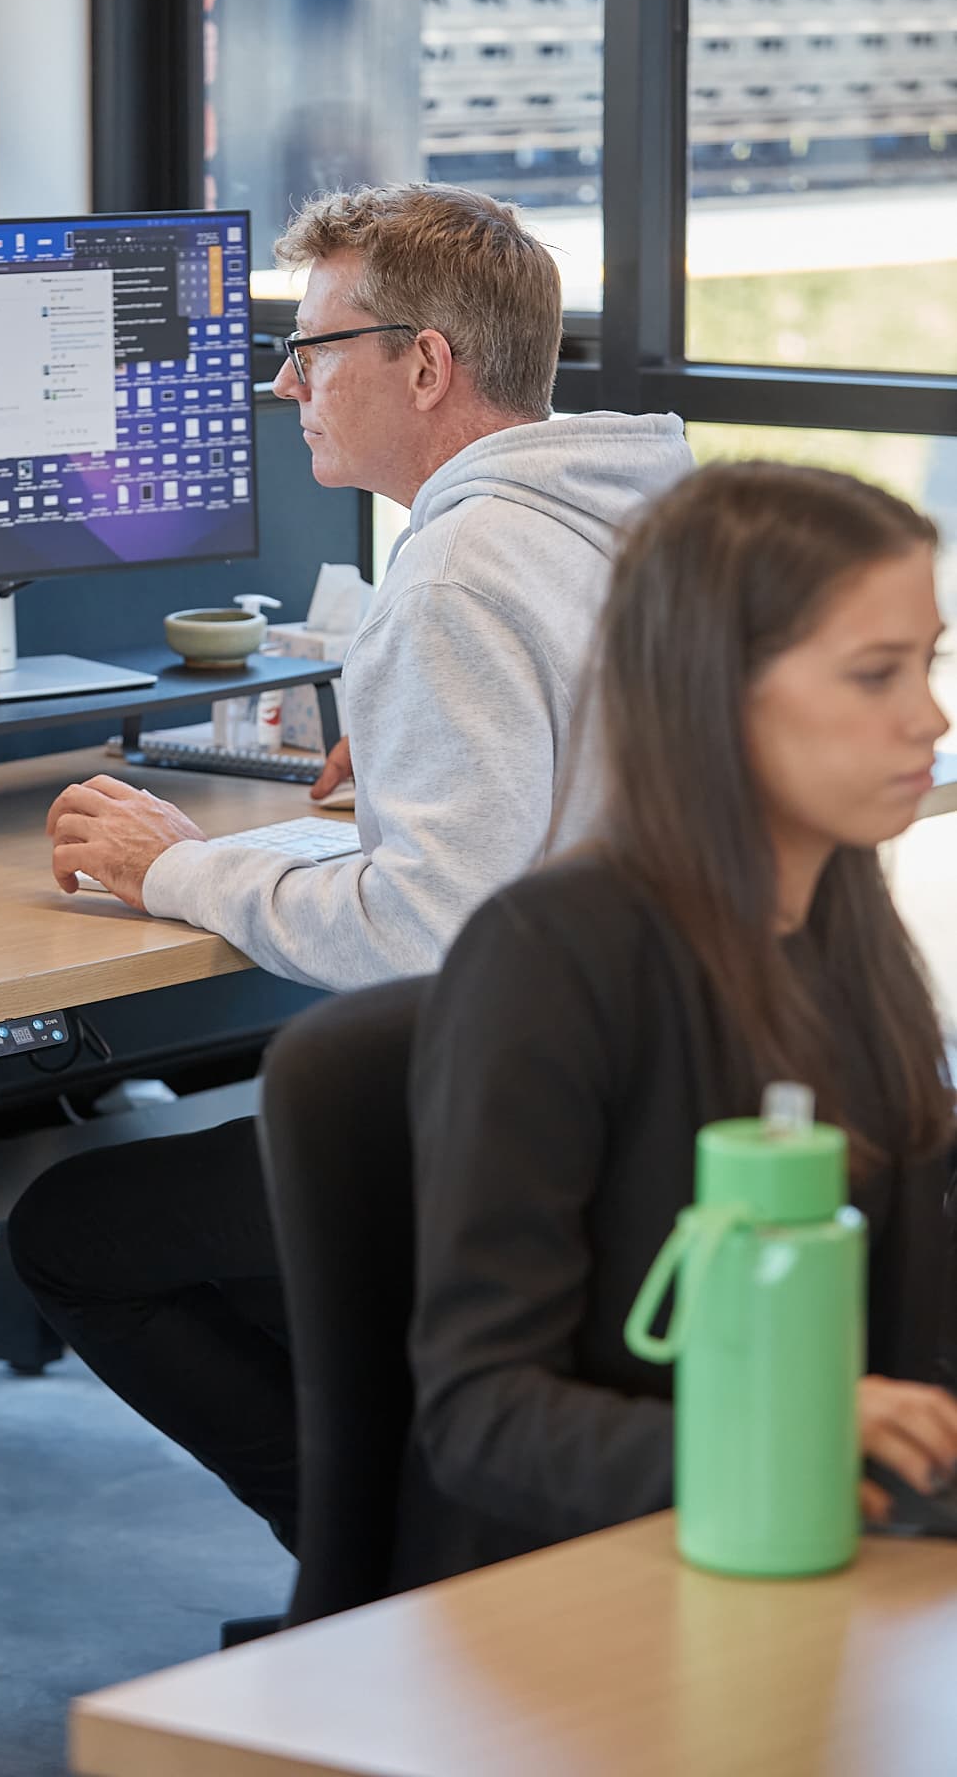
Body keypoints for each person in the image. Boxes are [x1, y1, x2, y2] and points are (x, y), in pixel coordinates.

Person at [11, 183, 690, 1555]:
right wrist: (408, 765)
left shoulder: (449, 577)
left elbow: (429, 926)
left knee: (71, 1231)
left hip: (535, 1134)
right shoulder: (627, 517)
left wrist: (177, 867)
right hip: (662, 1104)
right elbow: (583, 779)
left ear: (422, 364)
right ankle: (437, 1517)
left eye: (313, 350)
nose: (286, 383)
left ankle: (375, 1558)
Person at [408, 459, 957, 1577]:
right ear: (718, 687)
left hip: (834, 1542)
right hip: (619, 1572)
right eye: (874, 675)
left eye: (930, 662)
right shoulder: (551, 957)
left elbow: (910, 1308)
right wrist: (794, 1429)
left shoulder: (846, 926)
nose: (930, 715)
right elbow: (479, 1414)